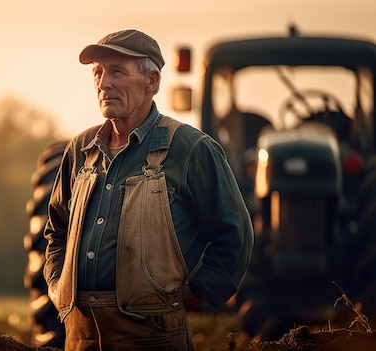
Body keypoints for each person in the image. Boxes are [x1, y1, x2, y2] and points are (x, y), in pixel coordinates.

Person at [43, 29, 254, 350]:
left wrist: (195, 293)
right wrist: (58, 284)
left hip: (153, 336)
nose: (103, 84)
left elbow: (234, 235)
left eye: (117, 72)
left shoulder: (191, 148)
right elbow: (56, 232)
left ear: (152, 81)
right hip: (80, 335)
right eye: (98, 73)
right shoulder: (79, 150)